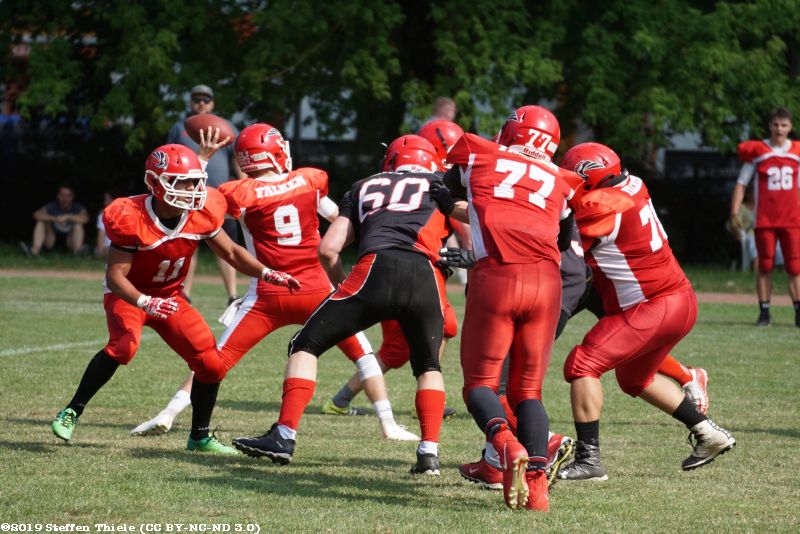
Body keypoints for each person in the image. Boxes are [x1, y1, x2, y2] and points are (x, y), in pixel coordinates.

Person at [130, 124, 415, 442]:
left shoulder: (239, 193)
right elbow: (339, 219)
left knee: (215, 360)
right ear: (276, 152)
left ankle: (169, 413)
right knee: (363, 354)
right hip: (317, 290)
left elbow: (197, 202)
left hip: (268, 293)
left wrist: (203, 159)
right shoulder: (309, 180)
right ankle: (388, 424)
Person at [50, 143, 299, 453]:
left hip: (170, 297)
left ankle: (200, 437)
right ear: (154, 183)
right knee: (123, 347)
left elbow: (233, 253)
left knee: (211, 365)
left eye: (195, 182)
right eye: (182, 183)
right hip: (130, 295)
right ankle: (72, 410)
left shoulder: (202, 212)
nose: (192, 190)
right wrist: (144, 302)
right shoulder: (131, 215)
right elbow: (116, 277)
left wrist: (266, 272)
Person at [232, 135, 451, 475]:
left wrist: (343, 284)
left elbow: (328, 249)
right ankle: (428, 454)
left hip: (374, 270)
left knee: (305, 344)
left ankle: (284, 435)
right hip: (425, 276)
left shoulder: (364, 186)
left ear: (391, 160)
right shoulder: (442, 184)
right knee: (428, 366)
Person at [556, 142, 735, 482]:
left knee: (582, 364)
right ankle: (708, 432)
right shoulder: (633, 183)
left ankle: (589, 460)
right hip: (679, 299)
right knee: (634, 378)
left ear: (589, 178)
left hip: (653, 306)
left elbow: (562, 241)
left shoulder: (599, 206)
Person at [435, 105, 578, 511]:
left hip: (498, 275)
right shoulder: (563, 179)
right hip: (547, 281)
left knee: (479, 385)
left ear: (512, 131)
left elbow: (445, 192)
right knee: (528, 391)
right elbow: (563, 239)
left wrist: (448, 202)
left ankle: (504, 444)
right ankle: (537, 488)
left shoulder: (479, 154)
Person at [319, 120, 467, 420]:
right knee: (398, 349)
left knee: (438, 331)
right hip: (408, 275)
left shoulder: (379, 183)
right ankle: (344, 400)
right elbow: (465, 225)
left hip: (389, 270)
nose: (453, 164)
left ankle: (344, 399)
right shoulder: (435, 183)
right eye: (449, 155)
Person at [167, 84, 245, 304]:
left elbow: (236, 158)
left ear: (213, 103)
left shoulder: (225, 127)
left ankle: (232, 295)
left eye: (206, 99)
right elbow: (170, 158)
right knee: (187, 247)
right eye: (197, 99)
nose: (201, 103)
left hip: (219, 198)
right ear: (190, 102)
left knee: (227, 246)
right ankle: (184, 293)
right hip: (187, 196)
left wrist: (244, 185)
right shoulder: (180, 128)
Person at [730, 107, 800, 327]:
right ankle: (764, 312)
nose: (779, 129)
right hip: (765, 219)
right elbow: (741, 183)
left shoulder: (796, 152)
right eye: (776, 124)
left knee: (795, 267)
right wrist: (734, 210)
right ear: (769, 126)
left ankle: (798, 311)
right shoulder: (758, 151)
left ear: (790, 127)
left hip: (791, 219)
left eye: (784, 125)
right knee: (765, 266)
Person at [20, 185, 89, 257]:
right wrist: (54, 218)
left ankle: (78, 251)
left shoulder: (78, 207)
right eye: (62, 195)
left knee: (78, 224)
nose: (65, 198)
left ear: (73, 197)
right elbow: (36, 214)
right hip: (50, 240)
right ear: (58, 196)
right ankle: (34, 251)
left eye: (69, 196)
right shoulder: (52, 206)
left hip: (70, 240)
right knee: (41, 221)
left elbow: (85, 218)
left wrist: (68, 217)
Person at [94, 191, 114, 257]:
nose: (105, 203)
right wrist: (100, 252)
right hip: (107, 246)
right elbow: (101, 234)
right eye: (105, 200)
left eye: (107, 200)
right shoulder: (103, 214)